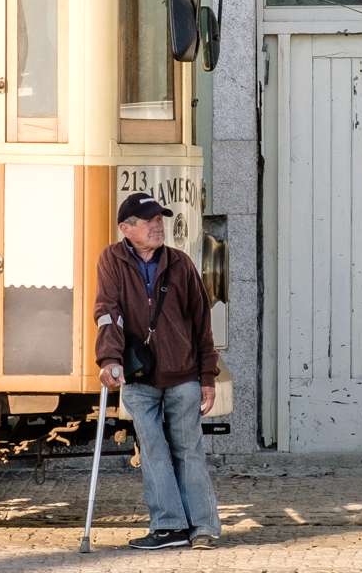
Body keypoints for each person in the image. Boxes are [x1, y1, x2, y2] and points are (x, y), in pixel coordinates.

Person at [94, 192, 221, 550]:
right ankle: (169, 527)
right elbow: (108, 311)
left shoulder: (180, 263)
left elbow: (202, 322)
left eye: (159, 219)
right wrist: (109, 359)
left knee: (189, 451)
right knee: (153, 451)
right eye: (149, 220)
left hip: (183, 375)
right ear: (126, 228)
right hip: (140, 377)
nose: (157, 225)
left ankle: (204, 528)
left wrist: (207, 376)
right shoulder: (112, 260)